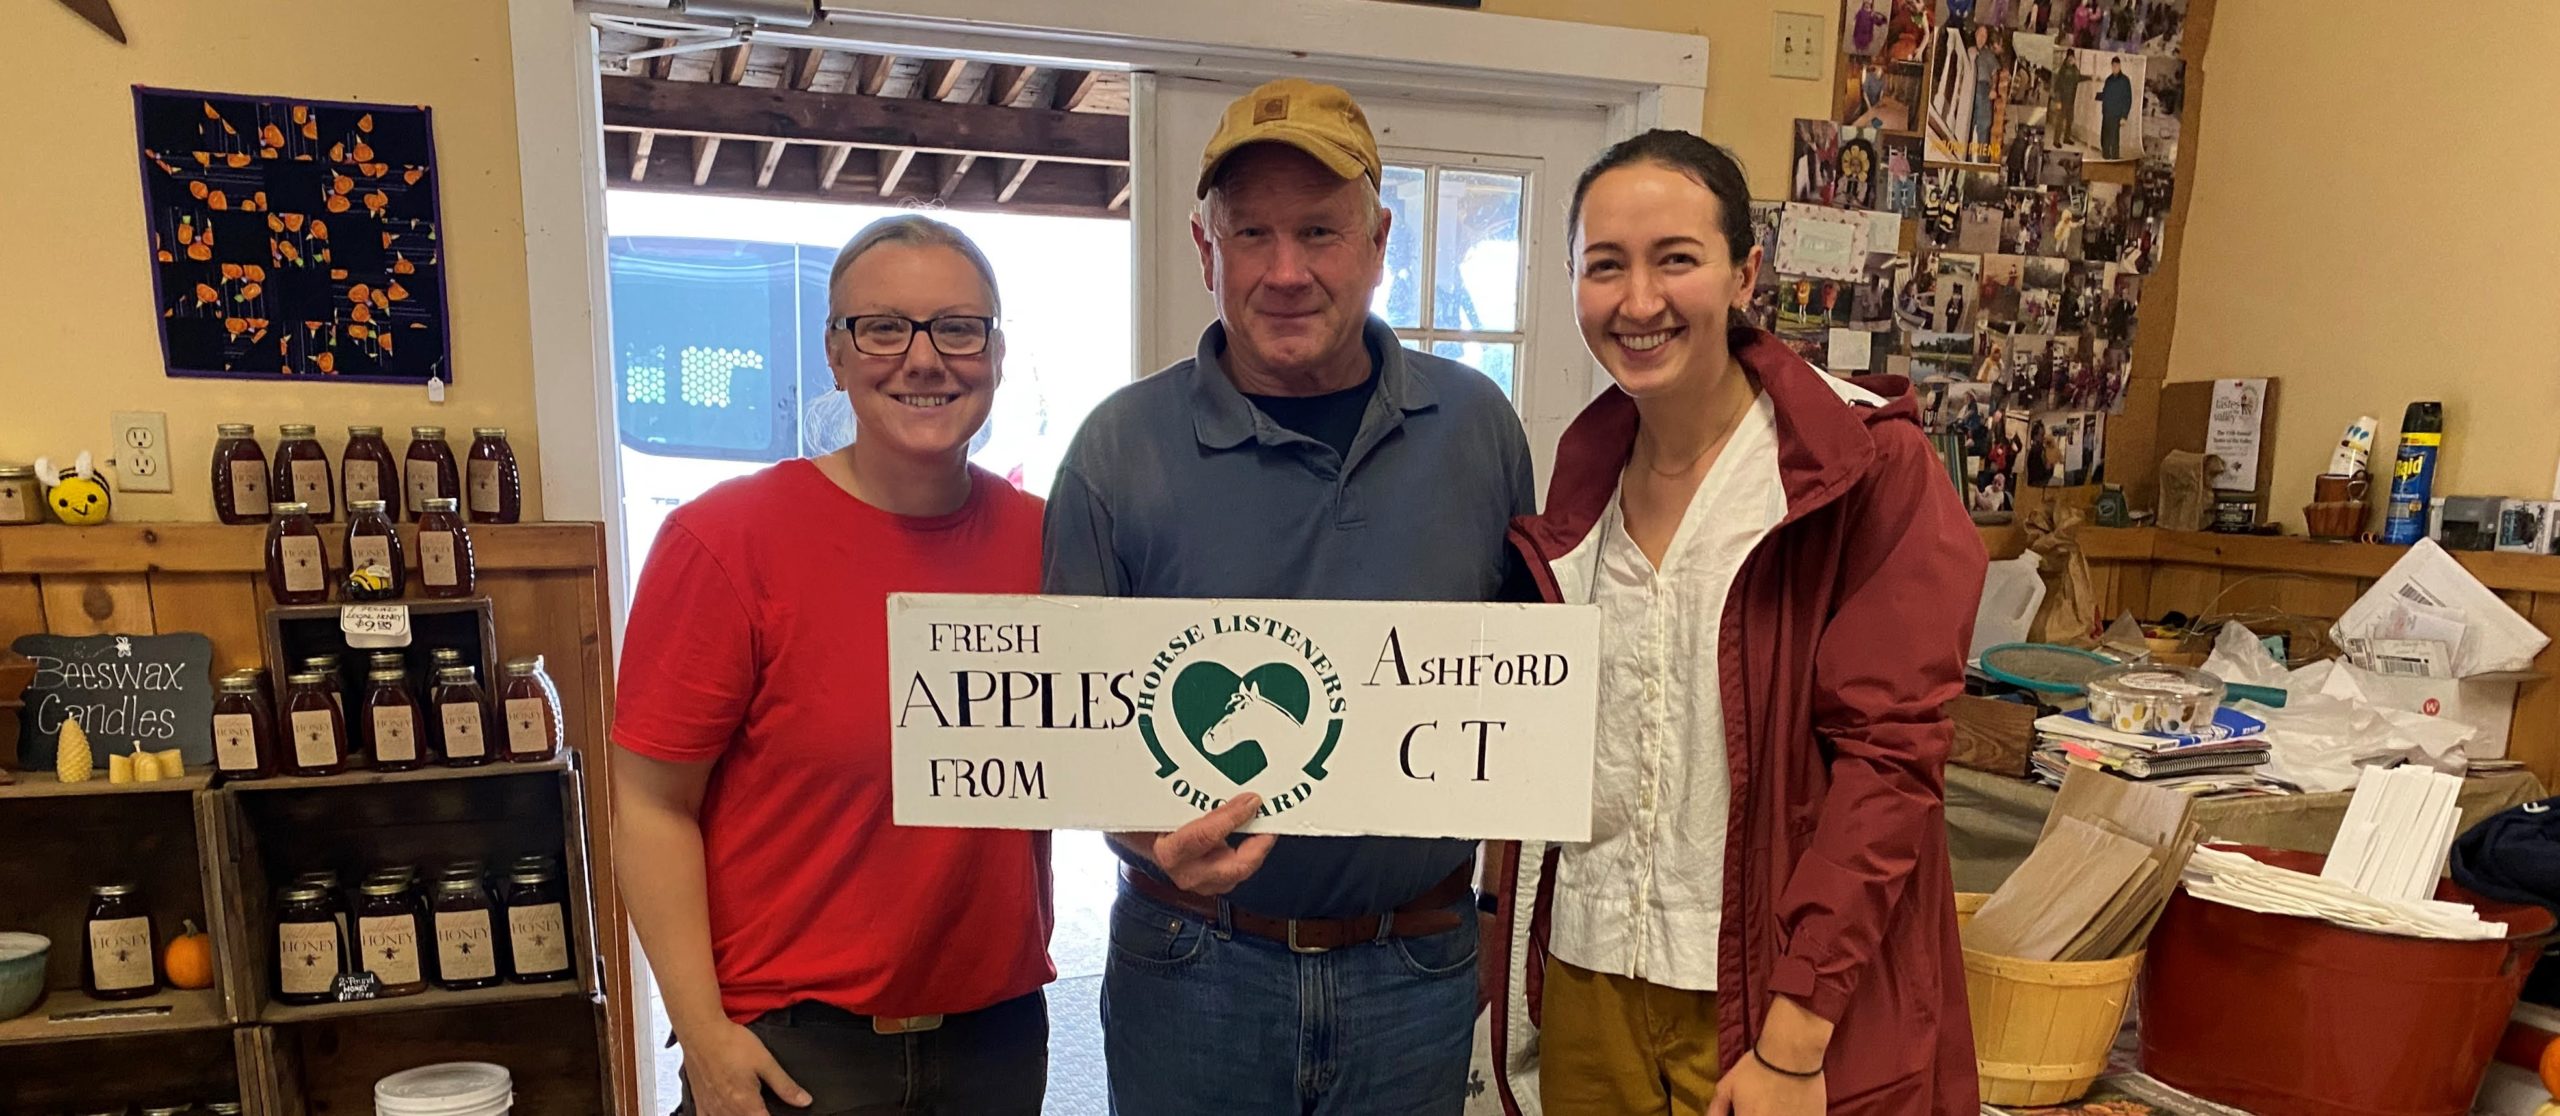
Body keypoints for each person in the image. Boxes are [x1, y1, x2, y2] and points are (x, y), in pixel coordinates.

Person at [1043, 77, 1534, 1116]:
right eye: (1251, 232)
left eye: (1319, 229)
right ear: (1202, 246)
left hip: (1417, 962)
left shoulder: (1479, 429)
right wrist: (1138, 832)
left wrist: (1499, 906)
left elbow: (1519, 689)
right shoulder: (1116, 449)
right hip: (1192, 964)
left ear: (1377, 239)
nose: (1285, 271)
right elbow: (1062, 728)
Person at [1478, 129, 1983, 1116]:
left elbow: (1888, 768)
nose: (1637, 302)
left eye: (1676, 259)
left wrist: (1795, 1040)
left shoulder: (1860, 472)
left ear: (1744, 271)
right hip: (1590, 972)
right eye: (1604, 266)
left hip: (1762, 989)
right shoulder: (1577, 490)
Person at [612, 216, 1053, 1116]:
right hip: (794, 1048)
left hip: (998, 1040)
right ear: (836, 355)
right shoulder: (727, 539)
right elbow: (649, 807)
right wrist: (703, 1039)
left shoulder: (1051, 542)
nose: (924, 360)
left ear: (997, 353)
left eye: (958, 328)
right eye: (884, 328)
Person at [2100, 57, 2136, 159]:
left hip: (2117, 115)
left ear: (2120, 66)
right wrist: (2097, 97)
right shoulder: (2108, 80)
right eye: (2113, 66)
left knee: (2114, 139)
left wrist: (2124, 116)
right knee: (2105, 137)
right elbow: (2105, 94)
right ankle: (2105, 157)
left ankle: (2115, 158)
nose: (2115, 68)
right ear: (2111, 66)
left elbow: (2128, 99)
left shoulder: (2125, 81)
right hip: (2107, 114)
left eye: (2117, 66)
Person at [2051, 49, 2086, 146]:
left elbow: (2079, 78)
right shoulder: (2062, 70)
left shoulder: (2075, 69)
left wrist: (2090, 77)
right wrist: (2058, 101)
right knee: (2060, 121)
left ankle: (2066, 138)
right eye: (2070, 57)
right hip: (2062, 100)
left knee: (2070, 119)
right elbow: (2057, 86)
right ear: (2067, 58)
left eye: (2073, 57)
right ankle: (2056, 141)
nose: (2071, 59)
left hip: (2071, 100)